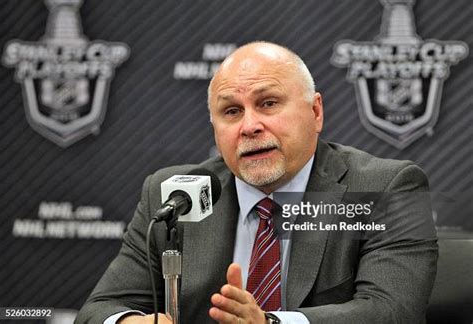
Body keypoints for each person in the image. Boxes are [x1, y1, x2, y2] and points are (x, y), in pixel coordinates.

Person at [76, 41, 438, 324]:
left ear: (315, 112)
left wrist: (271, 322)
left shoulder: (383, 186)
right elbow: (99, 309)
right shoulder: (174, 194)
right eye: (231, 111)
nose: (249, 126)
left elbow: (392, 312)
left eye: (268, 103)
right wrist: (125, 320)